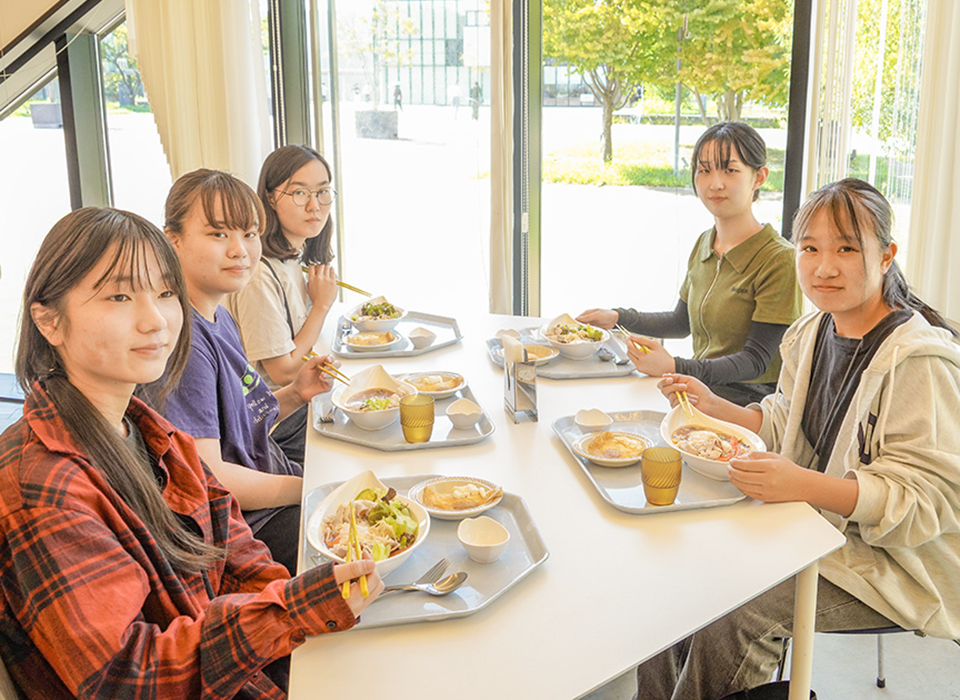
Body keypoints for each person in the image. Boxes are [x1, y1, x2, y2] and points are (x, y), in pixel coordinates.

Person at [0, 207, 382, 698]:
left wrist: (286, 602)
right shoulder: (39, 483)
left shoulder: (147, 428)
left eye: (164, 293)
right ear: (48, 320)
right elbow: (125, 678)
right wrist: (291, 609)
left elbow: (233, 540)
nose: (155, 320)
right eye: (119, 295)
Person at [636, 179, 960, 699]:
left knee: (737, 612)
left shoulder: (918, 361)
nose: (824, 267)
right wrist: (713, 408)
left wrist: (801, 484)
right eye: (810, 248)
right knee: (680, 571)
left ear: (885, 256)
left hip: (891, 562)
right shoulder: (812, 334)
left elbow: (926, 503)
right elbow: (786, 418)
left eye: (847, 249)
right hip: (809, 524)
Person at [157, 169, 337, 575]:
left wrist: (295, 393)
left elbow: (241, 420)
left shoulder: (219, 314)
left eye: (249, 234)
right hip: (250, 525)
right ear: (173, 239)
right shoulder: (183, 341)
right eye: (219, 234)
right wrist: (312, 488)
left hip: (270, 481)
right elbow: (211, 476)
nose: (240, 250)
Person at [578, 121, 802, 406]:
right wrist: (618, 318)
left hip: (747, 403)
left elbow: (755, 362)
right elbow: (680, 322)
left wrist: (675, 366)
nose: (715, 183)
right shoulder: (706, 243)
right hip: (700, 388)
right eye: (704, 170)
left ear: (759, 178)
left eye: (730, 170)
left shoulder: (778, 259)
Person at [226, 145, 338, 466]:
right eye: (300, 193)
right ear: (270, 198)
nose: (314, 205)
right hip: (276, 422)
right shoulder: (259, 272)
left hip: (301, 402)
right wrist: (322, 305)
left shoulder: (293, 258)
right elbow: (285, 369)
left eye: (322, 192)